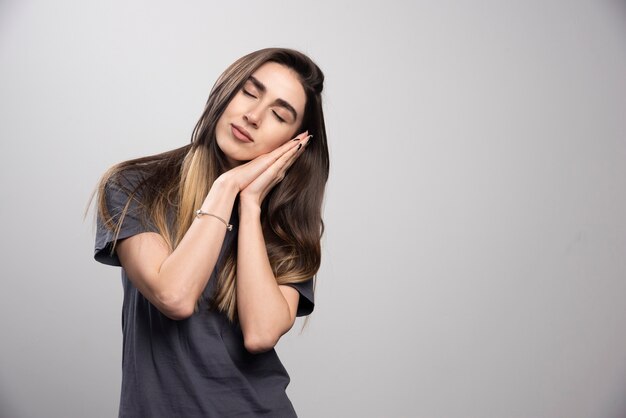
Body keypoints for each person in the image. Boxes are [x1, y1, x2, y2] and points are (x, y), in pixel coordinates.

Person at [91, 47, 328, 417]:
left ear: (292, 143)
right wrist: (225, 187)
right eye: (249, 92)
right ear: (225, 90)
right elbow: (174, 295)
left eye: (279, 115)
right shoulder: (135, 186)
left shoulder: (286, 225)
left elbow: (261, 333)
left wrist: (249, 206)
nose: (253, 116)